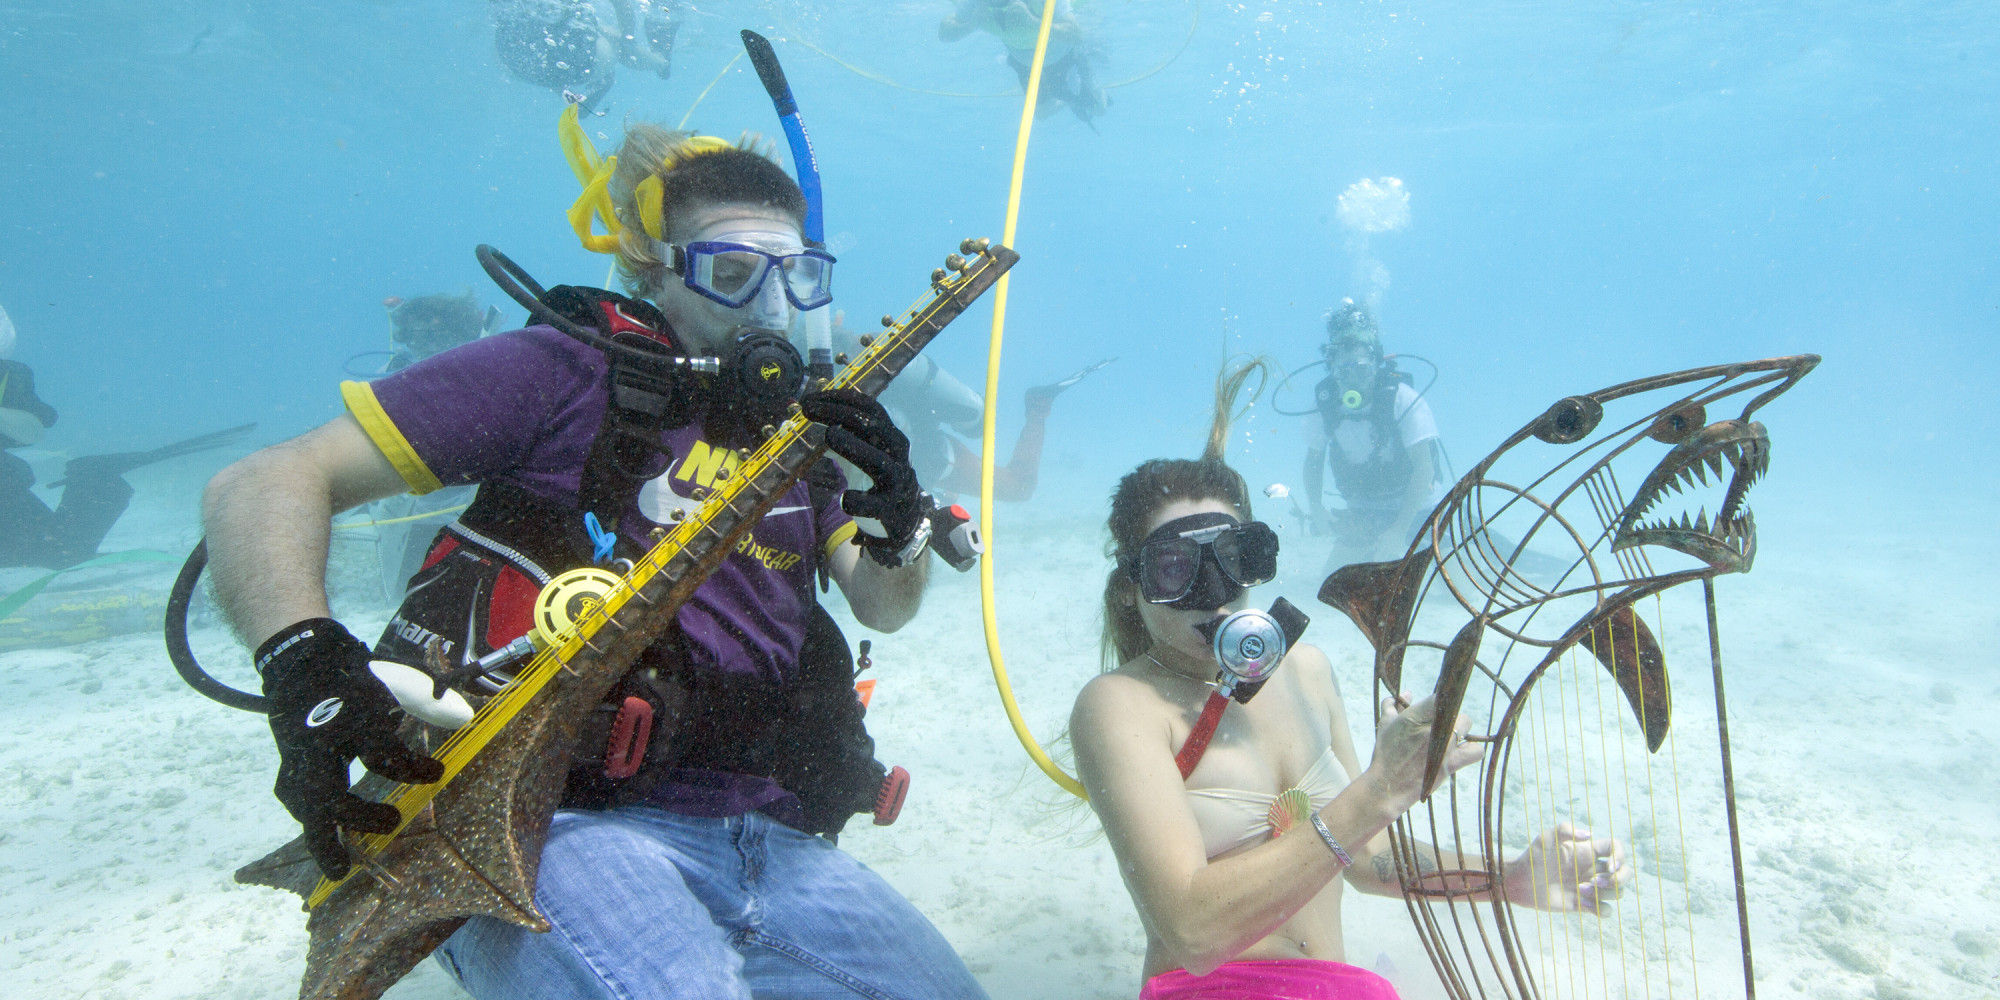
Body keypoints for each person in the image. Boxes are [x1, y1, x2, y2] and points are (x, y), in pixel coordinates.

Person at [200, 117, 988, 999]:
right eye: (731, 275)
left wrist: (896, 525)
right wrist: (301, 659)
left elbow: (884, 605)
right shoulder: (562, 371)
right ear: (653, 268)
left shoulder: (805, 429)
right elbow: (265, 482)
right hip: (541, 817)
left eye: (797, 278)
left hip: (765, 825)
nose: (772, 309)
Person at [1068, 363, 1632, 998]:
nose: (1212, 595)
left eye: (1232, 559)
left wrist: (1510, 878)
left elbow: (1365, 859)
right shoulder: (1120, 705)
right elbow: (1195, 935)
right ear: (1134, 584)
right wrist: (1376, 792)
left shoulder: (1306, 670)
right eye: (1174, 570)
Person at [2, 325, 248, 570]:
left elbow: (33, 430)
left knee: (61, 551)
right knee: (61, 551)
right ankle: (93, 480)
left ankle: (93, 480)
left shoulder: (9, 375)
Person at [833, 315, 1108, 503]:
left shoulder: (817, 365)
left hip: (922, 454)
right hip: (909, 449)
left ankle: (1037, 408)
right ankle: (1038, 406)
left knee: (1017, 487)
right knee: (1017, 486)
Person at [366, 292, 503, 605]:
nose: (423, 345)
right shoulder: (397, 368)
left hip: (461, 499)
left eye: (433, 335)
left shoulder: (481, 367)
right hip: (417, 497)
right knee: (410, 588)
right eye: (414, 337)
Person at [1300, 300, 1446, 572]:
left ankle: (1449, 544)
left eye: (1362, 368)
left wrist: (1400, 530)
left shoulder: (1403, 399)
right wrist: (1316, 508)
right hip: (1364, 510)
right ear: (1331, 367)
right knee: (1332, 580)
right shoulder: (1324, 405)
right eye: (1344, 370)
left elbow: (1424, 468)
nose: (1353, 378)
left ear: (1376, 365)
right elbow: (1313, 460)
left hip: (1419, 508)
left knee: (1452, 583)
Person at [490, 0, 682, 113]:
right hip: (581, 61)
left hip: (511, 61)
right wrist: (627, 41)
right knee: (613, 41)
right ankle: (660, 62)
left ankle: (573, 97)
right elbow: (621, 4)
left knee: (548, 45)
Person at [939, 0, 1107, 125]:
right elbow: (944, 33)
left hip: (1064, 55)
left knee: (1099, 108)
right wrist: (972, 24)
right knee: (1041, 113)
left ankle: (1083, 75)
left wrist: (1032, 21)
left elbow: (1075, 34)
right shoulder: (976, 3)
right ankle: (1070, 99)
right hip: (1026, 63)